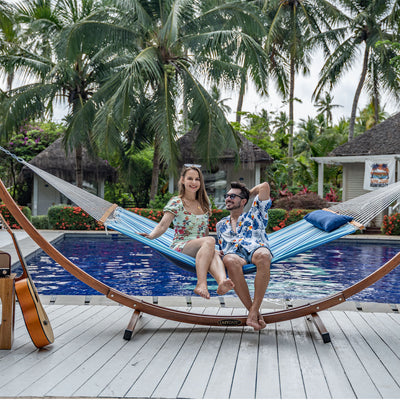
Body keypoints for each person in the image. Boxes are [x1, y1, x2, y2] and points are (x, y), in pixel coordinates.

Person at [140, 165, 234, 299]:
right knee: (210, 241)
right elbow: (162, 225)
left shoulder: (204, 202)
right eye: (190, 178)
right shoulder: (176, 202)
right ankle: (201, 284)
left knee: (212, 248)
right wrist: (151, 236)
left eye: (197, 179)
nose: (194, 182)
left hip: (201, 247)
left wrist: (210, 248)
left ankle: (222, 282)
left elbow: (205, 230)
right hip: (182, 245)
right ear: (183, 180)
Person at [216, 181, 272, 330]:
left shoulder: (256, 213)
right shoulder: (221, 224)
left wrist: (248, 193)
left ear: (243, 201)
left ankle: (253, 311)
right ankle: (253, 313)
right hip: (235, 254)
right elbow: (221, 247)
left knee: (264, 255)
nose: (228, 198)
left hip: (256, 248)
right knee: (228, 259)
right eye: (227, 196)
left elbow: (264, 186)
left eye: (233, 196)